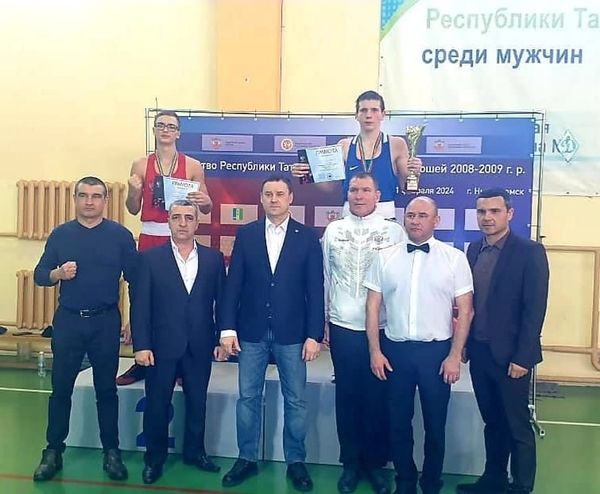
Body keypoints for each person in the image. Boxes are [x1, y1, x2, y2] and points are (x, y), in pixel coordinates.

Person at [220, 175, 324, 492]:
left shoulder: (307, 237)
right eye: (268, 194)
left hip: (293, 333)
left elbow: (315, 290)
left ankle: (296, 461)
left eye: (280, 193)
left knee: (296, 400)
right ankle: (246, 458)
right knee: (248, 398)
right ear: (261, 198)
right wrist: (227, 328)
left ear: (291, 197)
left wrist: (314, 334)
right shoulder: (247, 234)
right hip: (251, 331)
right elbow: (233, 284)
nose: (274, 199)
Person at [364, 196, 474, 494]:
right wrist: (375, 351)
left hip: (437, 353)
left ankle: (431, 482)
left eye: (422, 215)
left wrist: (454, 356)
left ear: (436, 220)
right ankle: (405, 481)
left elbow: (466, 311)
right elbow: (372, 306)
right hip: (395, 351)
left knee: (435, 425)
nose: (415, 220)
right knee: (398, 423)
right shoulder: (384, 257)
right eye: (411, 215)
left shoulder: (454, 259)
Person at [32, 176, 137, 482]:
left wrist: (133, 319)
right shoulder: (61, 235)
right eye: (84, 195)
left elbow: (136, 279)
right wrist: (58, 273)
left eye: (96, 196)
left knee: (107, 390)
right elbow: (40, 275)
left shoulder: (120, 236)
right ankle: (53, 451)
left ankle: (111, 452)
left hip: (105, 322)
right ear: (75, 199)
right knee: (61, 389)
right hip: (69, 321)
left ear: (106, 200)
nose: (89, 201)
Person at [456, 189, 549, 494]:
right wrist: (464, 343)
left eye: (494, 211)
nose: (487, 217)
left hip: (512, 357)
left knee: (517, 426)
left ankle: (521, 487)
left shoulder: (530, 252)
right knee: (493, 422)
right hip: (480, 353)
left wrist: (523, 357)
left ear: (509, 213)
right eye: (482, 212)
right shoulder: (473, 250)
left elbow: (535, 309)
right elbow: (470, 304)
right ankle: (493, 479)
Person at [131, 199, 225, 484]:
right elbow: (140, 306)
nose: (183, 223)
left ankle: (195, 453)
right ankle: (154, 459)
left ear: (197, 222)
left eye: (188, 217)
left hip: (200, 343)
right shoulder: (149, 259)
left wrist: (221, 338)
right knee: (157, 404)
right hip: (160, 346)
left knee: (198, 402)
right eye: (176, 217)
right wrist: (141, 345)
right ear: (168, 221)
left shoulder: (213, 259)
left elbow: (222, 303)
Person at [322, 173, 405, 494]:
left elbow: (400, 284)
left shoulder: (393, 232)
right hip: (343, 326)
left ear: (378, 195)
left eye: (365, 190)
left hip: (382, 330)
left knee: (377, 399)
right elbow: (325, 278)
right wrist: (324, 321)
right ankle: (350, 464)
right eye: (354, 190)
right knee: (347, 397)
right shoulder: (334, 230)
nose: (359, 195)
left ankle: (375, 465)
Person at [118, 110, 213, 385]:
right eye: (161, 125)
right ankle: (141, 359)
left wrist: (203, 200)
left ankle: (182, 363)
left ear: (179, 132)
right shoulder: (140, 164)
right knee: (142, 295)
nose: (166, 130)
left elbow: (207, 207)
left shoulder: (192, 165)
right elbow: (132, 208)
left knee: (181, 296)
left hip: (180, 234)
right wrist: (133, 190)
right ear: (154, 130)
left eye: (171, 126)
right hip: (150, 234)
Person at [291, 90, 422, 219]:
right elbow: (330, 187)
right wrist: (308, 172)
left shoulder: (396, 144)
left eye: (374, 110)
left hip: (384, 216)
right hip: (350, 216)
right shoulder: (344, 145)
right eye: (363, 110)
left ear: (383, 115)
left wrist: (415, 173)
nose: (368, 115)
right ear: (356, 115)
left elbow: (407, 187)